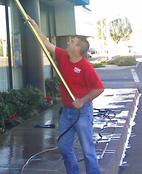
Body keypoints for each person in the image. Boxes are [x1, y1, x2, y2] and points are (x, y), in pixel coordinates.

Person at [25, 15, 104, 174]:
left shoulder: (85, 67)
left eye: (72, 41)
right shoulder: (63, 56)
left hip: (82, 112)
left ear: (77, 48)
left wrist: (82, 101)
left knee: (87, 150)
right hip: (67, 112)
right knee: (63, 146)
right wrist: (34, 25)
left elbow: (99, 88)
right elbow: (46, 44)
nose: (68, 42)